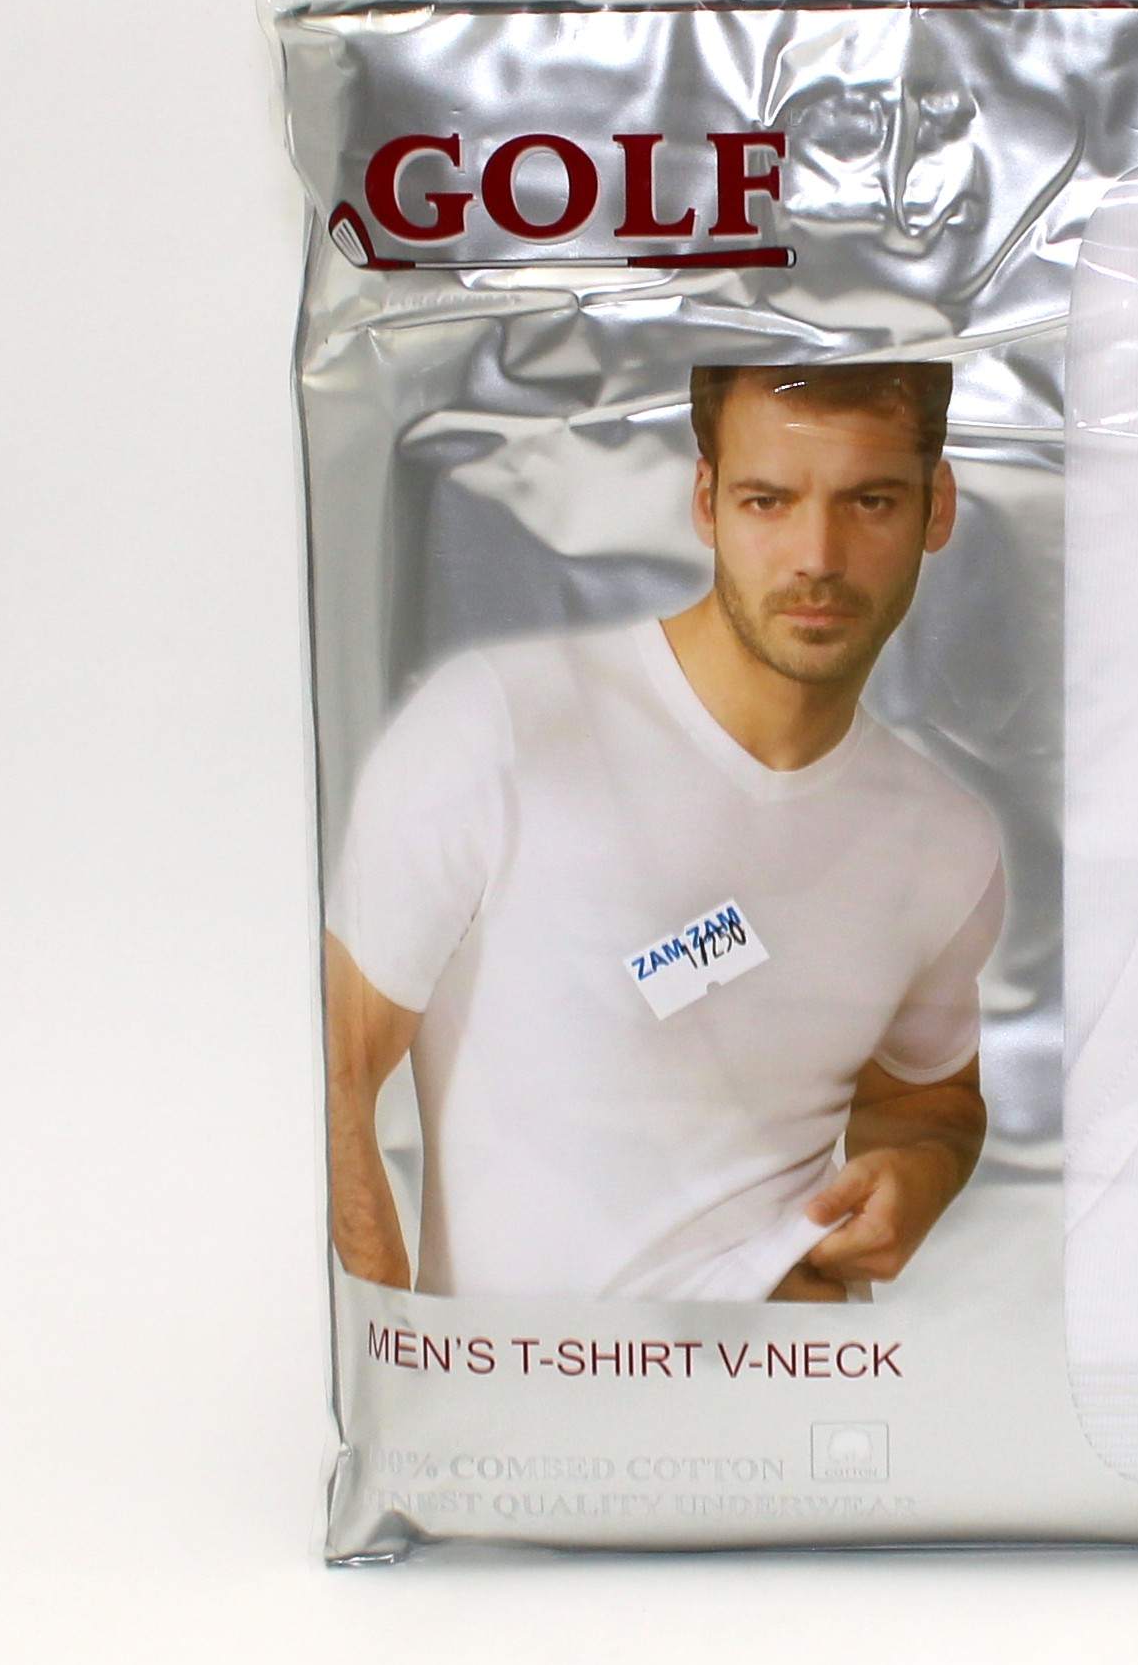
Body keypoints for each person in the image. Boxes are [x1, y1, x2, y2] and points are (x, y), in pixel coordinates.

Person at [324, 359, 1006, 1303]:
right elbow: (330, 1060)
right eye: (768, 501)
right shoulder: (504, 724)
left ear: (937, 508)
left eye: (871, 502)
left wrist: (921, 1172)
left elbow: (925, 1097)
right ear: (706, 501)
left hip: (795, 1384)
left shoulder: (947, 840)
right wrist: (394, 1347)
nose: (817, 555)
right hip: (529, 1390)